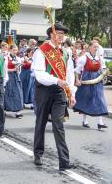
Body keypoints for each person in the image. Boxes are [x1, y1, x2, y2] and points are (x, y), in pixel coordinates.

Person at [31, 23, 76, 173]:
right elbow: (39, 74)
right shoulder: (41, 51)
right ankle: (38, 153)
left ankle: (64, 161)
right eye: (58, 33)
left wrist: (72, 94)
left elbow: (69, 74)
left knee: (59, 125)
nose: (61, 36)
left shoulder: (66, 52)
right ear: (51, 34)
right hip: (44, 90)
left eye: (63, 34)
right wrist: (56, 80)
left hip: (59, 92)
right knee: (41, 123)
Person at [74, 41, 108, 129]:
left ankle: (100, 122)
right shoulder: (84, 57)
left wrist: (106, 71)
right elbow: (77, 70)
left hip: (97, 80)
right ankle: (85, 120)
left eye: (97, 47)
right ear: (89, 47)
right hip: (87, 79)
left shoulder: (100, 58)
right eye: (94, 47)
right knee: (86, 99)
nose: (96, 48)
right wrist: (77, 80)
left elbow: (103, 69)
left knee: (100, 99)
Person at [4, 44, 24, 118]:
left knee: (18, 93)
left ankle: (17, 111)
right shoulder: (6, 58)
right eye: (13, 50)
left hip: (16, 77)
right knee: (8, 93)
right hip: (8, 77)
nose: (15, 51)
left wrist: (18, 69)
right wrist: (12, 69)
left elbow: (19, 70)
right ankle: (5, 110)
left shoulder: (18, 58)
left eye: (16, 50)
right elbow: (4, 69)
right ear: (10, 50)